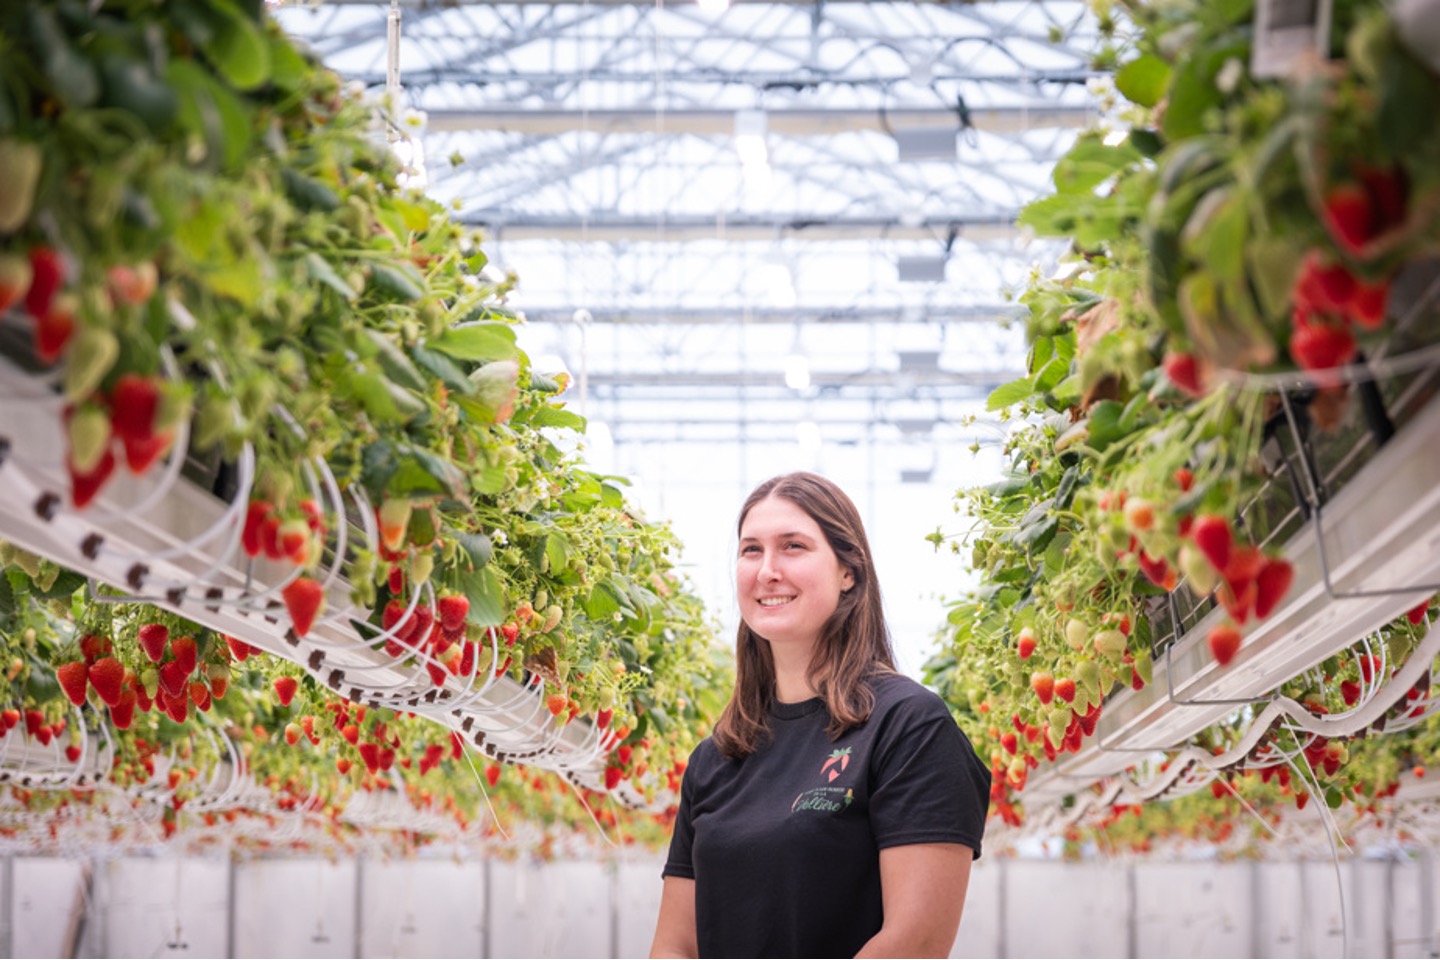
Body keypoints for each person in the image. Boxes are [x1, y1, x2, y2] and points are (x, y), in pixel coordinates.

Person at [650, 471, 991, 959]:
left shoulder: (909, 727)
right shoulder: (716, 757)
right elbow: (675, 946)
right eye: (751, 550)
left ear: (848, 571)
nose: (767, 570)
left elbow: (914, 943)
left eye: (793, 546)